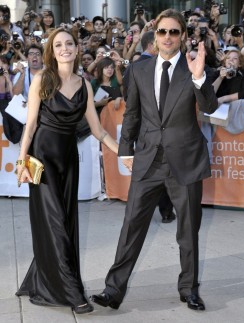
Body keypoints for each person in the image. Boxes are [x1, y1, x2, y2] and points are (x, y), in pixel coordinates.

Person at [91, 8, 218, 311]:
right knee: (131, 226)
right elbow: (132, 113)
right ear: (155, 35)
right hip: (147, 159)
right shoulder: (138, 70)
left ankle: (189, 289)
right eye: (163, 31)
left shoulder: (196, 69)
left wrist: (200, 78)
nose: (168, 37)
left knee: (187, 231)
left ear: (183, 36)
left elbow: (210, 107)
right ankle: (113, 290)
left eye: (174, 32)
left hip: (184, 161)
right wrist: (125, 150)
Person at [15, 27, 118, 314]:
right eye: (58, 44)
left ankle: (43, 277)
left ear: (76, 48)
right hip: (43, 159)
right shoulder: (41, 79)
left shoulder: (84, 85)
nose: (64, 48)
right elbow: (31, 124)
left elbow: (97, 130)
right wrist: (22, 163)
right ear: (52, 50)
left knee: (65, 223)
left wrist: (123, 151)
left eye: (69, 43)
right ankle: (73, 293)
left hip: (68, 161)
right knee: (56, 222)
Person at [123, 30, 175, 223]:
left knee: (150, 171)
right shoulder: (138, 68)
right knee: (160, 171)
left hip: (145, 132)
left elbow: (129, 102)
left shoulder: (137, 67)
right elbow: (131, 103)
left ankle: (147, 211)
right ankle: (165, 211)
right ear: (152, 44)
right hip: (152, 131)